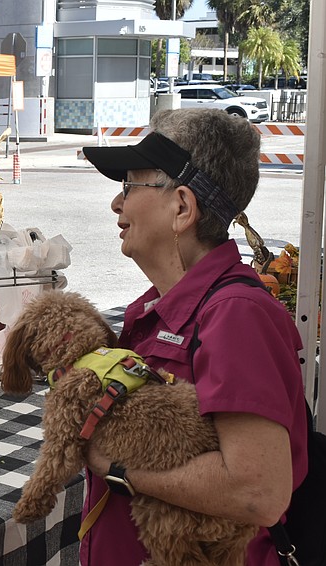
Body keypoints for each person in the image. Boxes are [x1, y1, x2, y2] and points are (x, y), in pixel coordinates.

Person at [80, 108, 307, 565]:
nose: (117, 203)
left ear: (182, 207)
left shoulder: (236, 316)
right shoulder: (161, 306)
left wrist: (112, 465)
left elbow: (258, 492)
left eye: (130, 185)